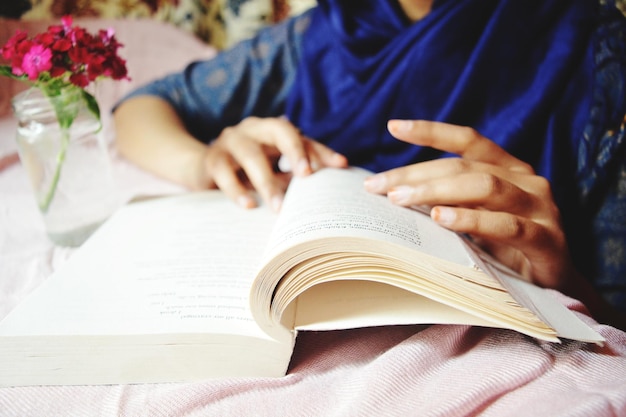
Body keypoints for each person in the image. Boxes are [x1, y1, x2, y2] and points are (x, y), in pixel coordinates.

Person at [113, 0, 626, 329]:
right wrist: (202, 161)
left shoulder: (593, 47)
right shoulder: (327, 28)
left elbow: (612, 317)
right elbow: (142, 107)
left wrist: (559, 283)